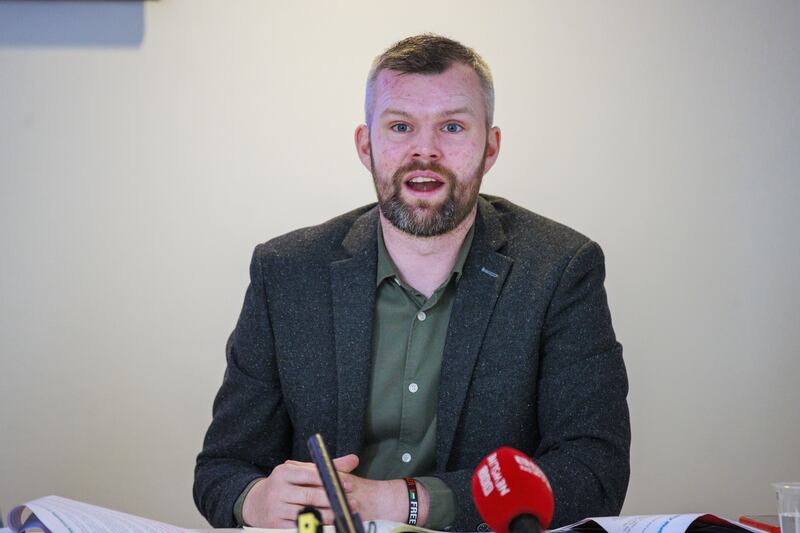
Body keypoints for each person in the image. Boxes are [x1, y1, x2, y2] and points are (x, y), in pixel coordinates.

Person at [193, 34, 630, 531]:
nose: (426, 151)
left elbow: (595, 474)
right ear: (366, 145)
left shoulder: (561, 270)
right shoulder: (286, 271)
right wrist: (256, 500)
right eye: (401, 126)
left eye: (452, 126)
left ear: (490, 147)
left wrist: (400, 502)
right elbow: (221, 470)